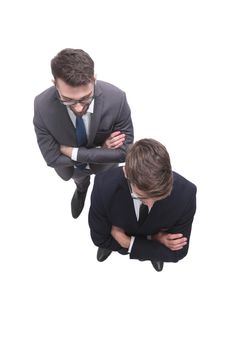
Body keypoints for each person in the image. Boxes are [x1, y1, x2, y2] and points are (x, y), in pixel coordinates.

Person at [33, 48, 134, 218]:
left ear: (94, 80)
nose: (79, 107)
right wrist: (102, 150)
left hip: (104, 167)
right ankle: (82, 189)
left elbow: (125, 153)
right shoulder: (42, 105)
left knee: (107, 191)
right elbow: (51, 158)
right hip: (73, 169)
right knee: (81, 181)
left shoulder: (117, 98)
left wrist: (72, 151)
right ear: (55, 84)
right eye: (68, 100)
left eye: (86, 98)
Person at [89, 139, 197, 271]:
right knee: (107, 243)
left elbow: (177, 253)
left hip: (122, 236)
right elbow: (100, 239)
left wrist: (127, 242)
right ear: (126, 173)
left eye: (159, 196)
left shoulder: (186, 193)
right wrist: (155, 242)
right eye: (142, 197)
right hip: (132, 241)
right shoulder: (104, 186)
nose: (151, 204)